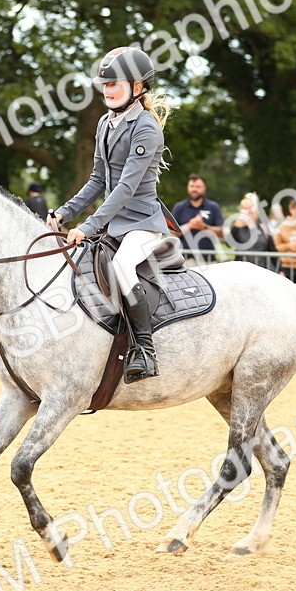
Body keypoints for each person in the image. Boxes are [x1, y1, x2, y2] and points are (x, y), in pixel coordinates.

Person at [49, 45, 174, 383]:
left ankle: (145, 350)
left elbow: (125, 189)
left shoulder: (146, 127)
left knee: (120, 267)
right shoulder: (105, 122)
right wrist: (64, 212)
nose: (107, 91)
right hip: (114, 224)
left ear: (137, 87)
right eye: (104, 85)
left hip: (143, 223)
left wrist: (88, 226)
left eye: (114, 84)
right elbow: (97, 181)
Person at [171, 174, 224, 262]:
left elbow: (221, 232)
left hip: (208, 259)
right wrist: (189, 225)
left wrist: (204, 227)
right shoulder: (179, 207)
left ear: (204, 188)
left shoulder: (213, 207)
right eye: (192, 186)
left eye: (198, 187)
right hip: (184, 260)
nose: (194, 189)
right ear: (187, 187)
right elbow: (172, 233)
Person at [229, 192, 276, 271]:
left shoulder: (263, 226)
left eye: (251, 208)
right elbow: (229, 244)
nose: (249, 211)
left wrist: (281, 270)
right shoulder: (238, 225)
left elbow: (273, 250)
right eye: (245, 208)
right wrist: (235, 228)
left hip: (261, 269)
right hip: (241, 270)